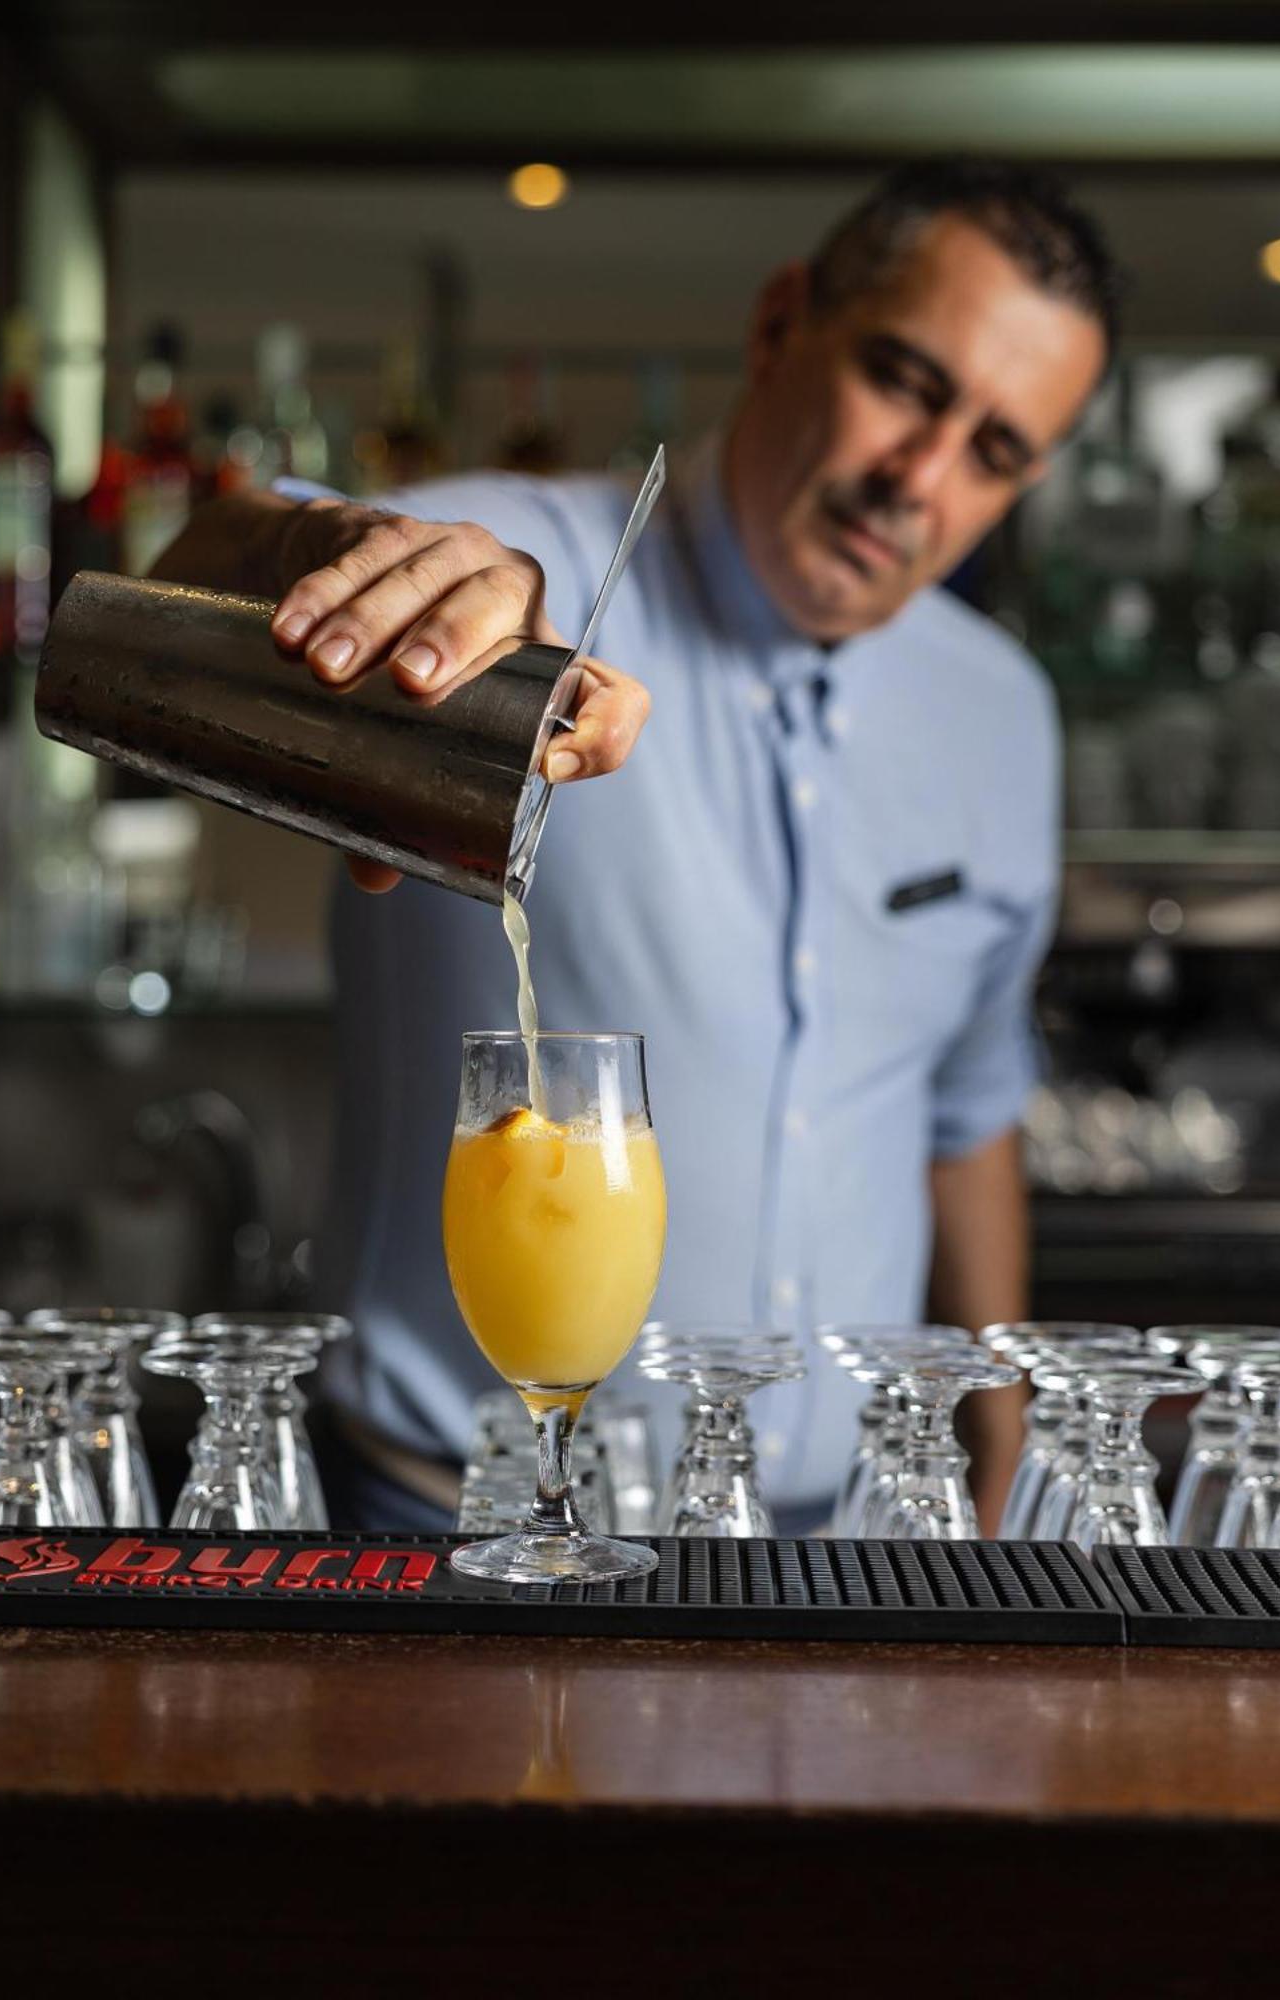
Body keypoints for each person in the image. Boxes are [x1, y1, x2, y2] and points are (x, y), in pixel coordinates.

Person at [154, 157, 1117, 1535]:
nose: (920, 477)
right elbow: (213, 565)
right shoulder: (526, 568)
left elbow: (962, 1117)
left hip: (842, 1545)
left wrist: (999, 1453)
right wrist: (350, 557)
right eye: (905, 380)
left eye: (995, 451)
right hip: (454, 1525)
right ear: (783, 321)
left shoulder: (999, 713)